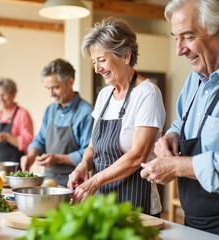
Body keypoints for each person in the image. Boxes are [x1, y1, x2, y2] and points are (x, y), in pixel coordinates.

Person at [140, 0, 219, 239]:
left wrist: (175, 166)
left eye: (188, 36)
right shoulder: (197, 76)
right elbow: (180, 124)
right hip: (193, 219)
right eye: (176, 38)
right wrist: (171, 137)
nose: (179, 50)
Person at [67, 17, 166, 217]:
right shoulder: (104, 95)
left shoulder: (147, 93)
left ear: (126, 56)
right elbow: (93, 146)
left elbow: (138, 155)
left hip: (136, 203)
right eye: (94, 62)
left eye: (102, 60)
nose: (97, 69)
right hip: (102, 201)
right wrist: (83, 165)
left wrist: (94, 181)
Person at [21, 58, 94, 187]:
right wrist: (31, 155)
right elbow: (40, 138)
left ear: (70, 82)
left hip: (74, 183)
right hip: (48, 182)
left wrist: (57, 159)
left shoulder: (86, 113)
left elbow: (88, 153)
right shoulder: (51, 109)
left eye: (55, 88)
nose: (50, 94)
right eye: (47, 88)